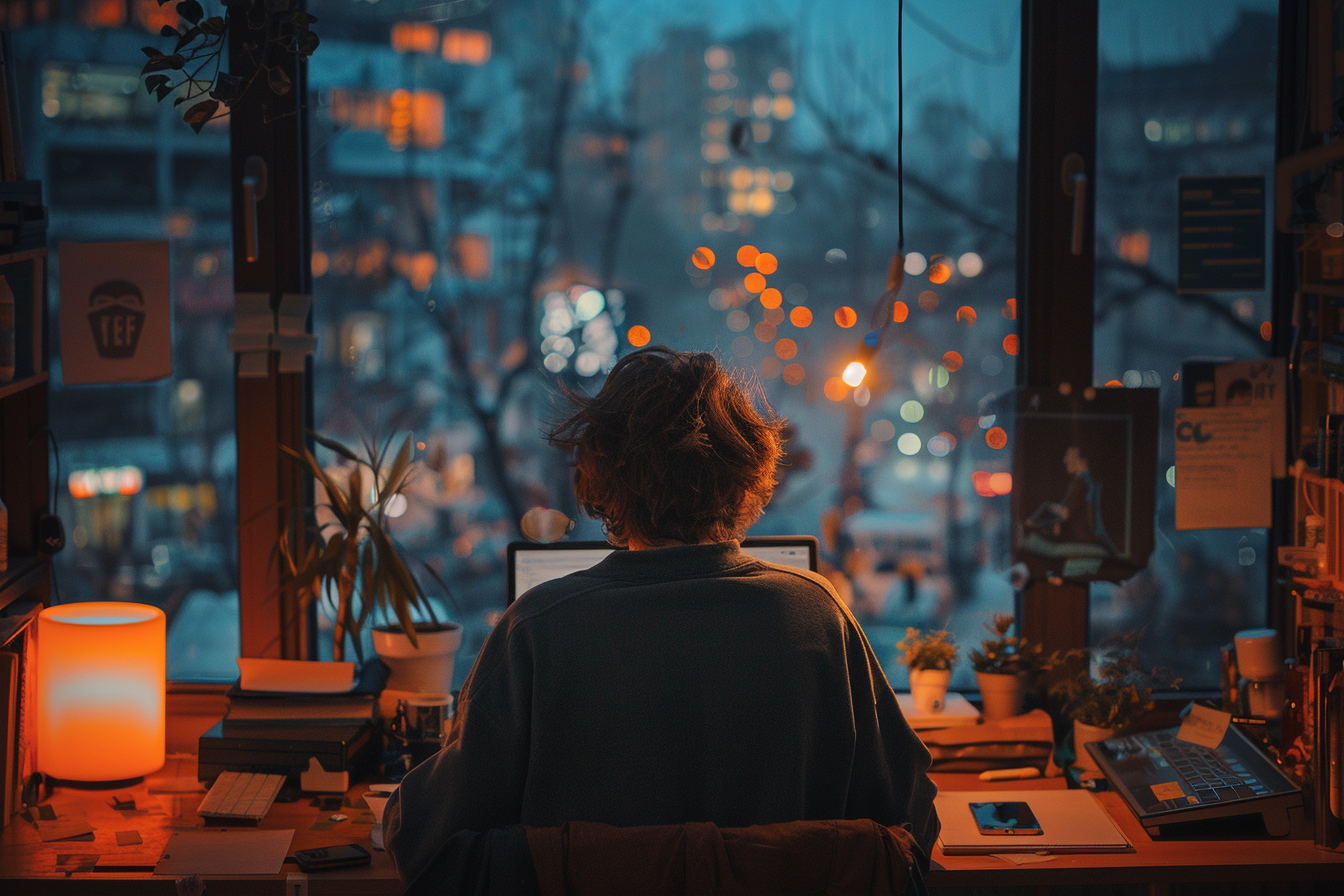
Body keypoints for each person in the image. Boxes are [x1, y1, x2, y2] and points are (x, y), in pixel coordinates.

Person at [384, 346, 939, 889]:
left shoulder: (538, 628)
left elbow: (426, 843)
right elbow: (910, 827)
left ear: (600, 481)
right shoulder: (818, 615)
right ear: (748, 475)